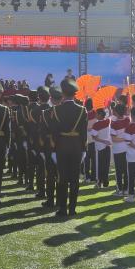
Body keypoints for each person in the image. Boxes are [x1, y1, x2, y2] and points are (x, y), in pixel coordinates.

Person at [49, 78, 88, 217]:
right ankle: (72, 209)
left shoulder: (56, 110)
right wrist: (84, 149)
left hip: (62, 147)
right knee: (74, 179)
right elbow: (84, 133)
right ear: (74, 94)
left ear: (63, 94)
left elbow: (53, 132)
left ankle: (62, 209)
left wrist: (53, 150)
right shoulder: (82, 110)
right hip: (77, 147)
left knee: (62, 178)